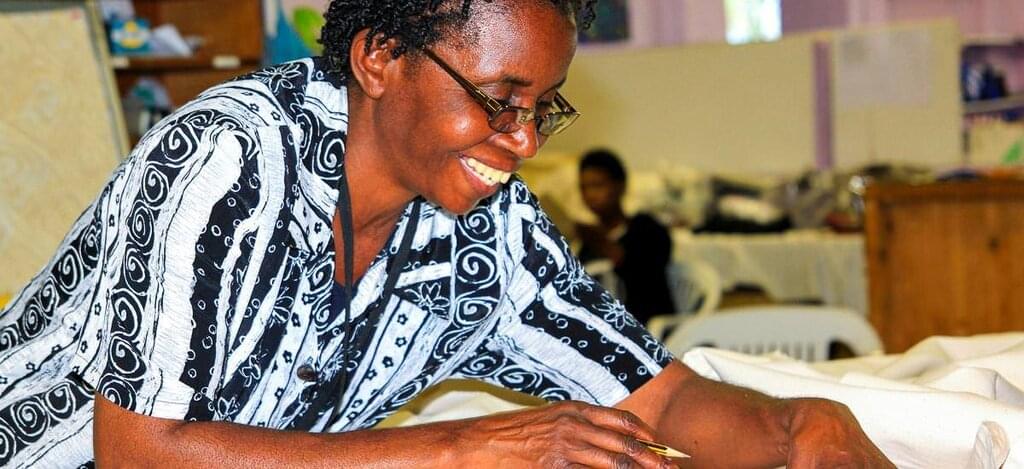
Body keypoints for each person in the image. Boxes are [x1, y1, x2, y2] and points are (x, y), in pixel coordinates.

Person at [0, 1, 894, 467]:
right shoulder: (226, 159)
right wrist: (467, 447)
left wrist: (794, 426)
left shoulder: (489, 230)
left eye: (544, 108)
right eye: (500, 100)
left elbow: (655, 400)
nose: (524, 141)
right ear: (379, 57)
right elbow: (140, 454)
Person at [576, 149, 675, 325]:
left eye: (597, 185)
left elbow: (644, 278)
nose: (590, 195)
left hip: (645, 328)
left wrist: (601, 243)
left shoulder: (648, 229)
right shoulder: (588, 243)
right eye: (584, 188)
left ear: (620, 186)